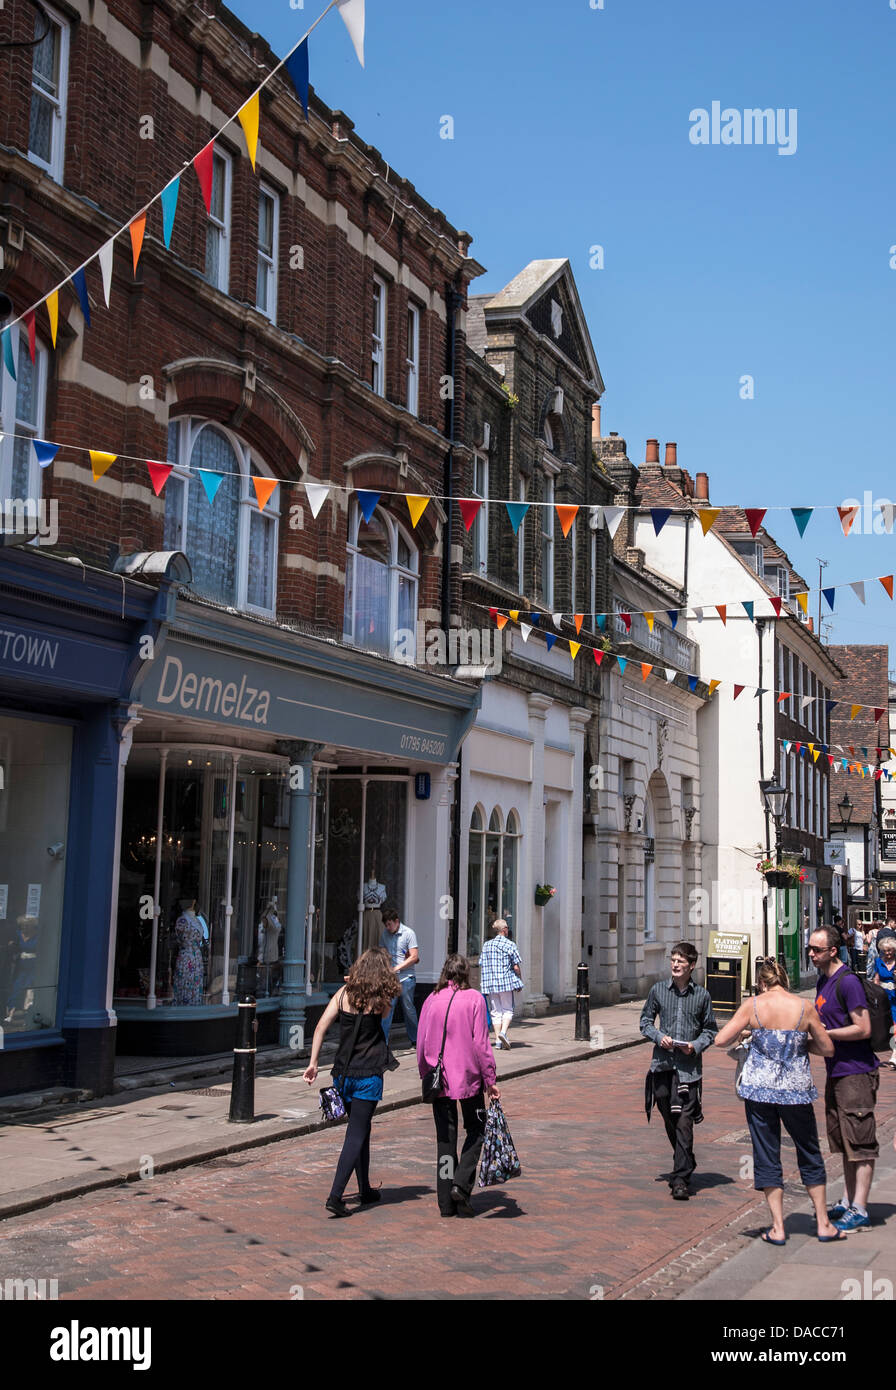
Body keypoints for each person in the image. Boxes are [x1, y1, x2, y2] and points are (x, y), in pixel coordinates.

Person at [714, 959, 843, 1244]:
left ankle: (778, 1227)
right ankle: (823, 1223)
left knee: (766, 1153)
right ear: (784, 980)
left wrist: (751, 1031)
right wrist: (800, 1043)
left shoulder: (754, 1005)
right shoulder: (803, 1006)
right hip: (795, 1090)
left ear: (761, 982)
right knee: (808, 1150)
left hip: (760, 1090)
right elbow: (828, 1047)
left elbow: (721, 1040)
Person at [303, 947, 400, 1218]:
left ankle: (365, 1188)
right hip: (368, 1075)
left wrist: (313, 1063)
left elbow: (321, 1026)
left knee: (362, 1131)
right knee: (355, 1135)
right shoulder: (380, 1000)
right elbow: (384, 1017)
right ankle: (335, 1196)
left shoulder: (343, 994)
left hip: (342, 1075)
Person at [809, 925, 880, 1231]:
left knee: (861, 1140)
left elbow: (862, 1028)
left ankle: (861, 1208)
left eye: (817, 949)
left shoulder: (847, 982)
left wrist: (826, 1034)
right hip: (835, 1071)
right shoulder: (822, 981)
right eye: (810, 948)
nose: (811, 954)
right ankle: (850, 1200)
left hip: (856, 1072)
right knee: (844, 1140)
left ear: (833, 951)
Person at [417, 953, 499, 1217]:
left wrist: (425, 1072)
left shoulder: (431, 999)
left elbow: (421, 1041)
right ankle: (461, 1185)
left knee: (445, 1141)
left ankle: (445, 1202)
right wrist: (491, 1079)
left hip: (438, 1079)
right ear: (465, 974)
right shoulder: (475, 999)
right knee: (477, 1129)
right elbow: (481, 1044)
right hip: (469, 1079)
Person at [639, 942, 718, 1200]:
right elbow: (645, 1022)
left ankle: (681, 1179)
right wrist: (658, 1036)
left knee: (685, 1122)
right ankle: (686, 1159)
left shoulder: (702, 996)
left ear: (691, 966)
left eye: (680, 961)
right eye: (672, 960)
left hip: (688, 1070)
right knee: (669, 1117)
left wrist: (695, 1046)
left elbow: (710, 1030)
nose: (675, 964)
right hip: (662, 1066)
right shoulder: (658, 991)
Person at [478, 919, 523, 1049]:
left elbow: (482, 963)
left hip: (491, 983)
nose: (508, 930)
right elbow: (515, 966)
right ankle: (503, 1032)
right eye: (507, 927)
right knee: (508, 1009)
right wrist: (519, 978)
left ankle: (498, 1040)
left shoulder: (486, 945)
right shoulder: (510, 945)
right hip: (505, 982)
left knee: (495, 1011)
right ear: (504, 930)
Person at [380, 906, 419, 1046]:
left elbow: (414, 957)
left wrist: (397, 967)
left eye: (390, 924)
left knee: (408, 1008)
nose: (388, 927)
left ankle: (415, 1038)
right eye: (386, 925)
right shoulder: (385, 934)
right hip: (390, 979)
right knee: (387, 1007)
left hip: (406, 977)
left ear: (397, 921)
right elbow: (382, 952)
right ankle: (382, 1041)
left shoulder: (409, 933)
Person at [871, 933, 896, 1069]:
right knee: (885, 1027)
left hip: (895, 998)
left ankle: (894, 1056)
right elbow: (876, 979)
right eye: (885, 951)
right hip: (883, 998)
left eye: (890, 950)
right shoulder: (878, 961)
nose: (887, 953)